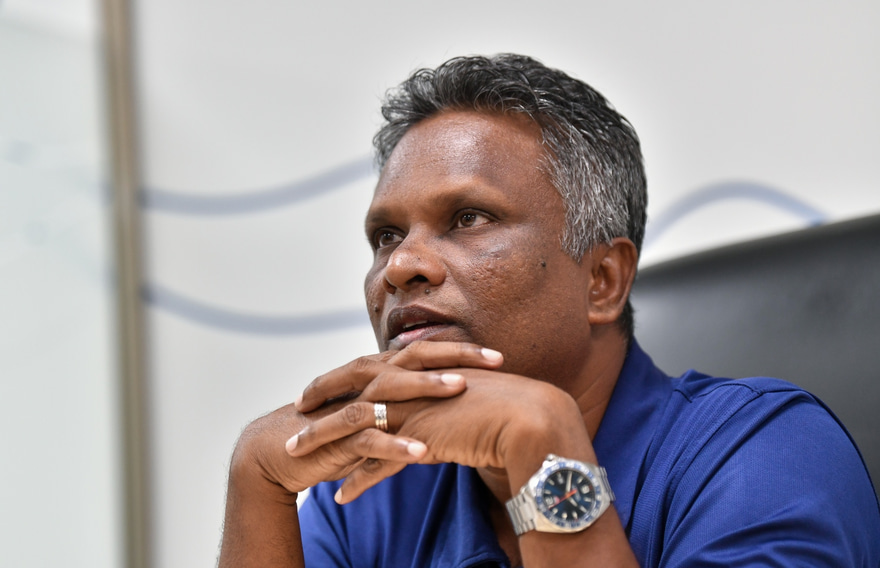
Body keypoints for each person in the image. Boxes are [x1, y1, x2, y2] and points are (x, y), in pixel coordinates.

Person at [218, 54, 880, 567]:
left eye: (468, 218)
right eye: (387, 236)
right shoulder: (370, 497)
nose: (400, 266)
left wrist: (544, 447)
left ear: (602, 280)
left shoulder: (766, 454)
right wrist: (258, 483)